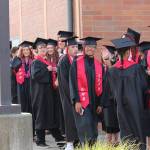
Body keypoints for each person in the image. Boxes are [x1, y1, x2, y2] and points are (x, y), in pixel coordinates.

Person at [108, 37, 150, 149]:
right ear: (128, 52)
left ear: (117, 53)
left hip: (121, 106)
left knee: (125, 129)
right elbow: (144, 87)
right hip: (136, 105)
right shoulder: (136, 68)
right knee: (138, 128)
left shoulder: (112, 71)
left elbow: (111, 92)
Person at [69, 37, 103, 146]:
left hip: (95, 103)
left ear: (96, 49)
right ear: (84, 47)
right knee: (86, 129)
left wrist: (101, 104)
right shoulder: (76, 63)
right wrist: (76, 101)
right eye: (88, 47)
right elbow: (72, 83)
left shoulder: (99, 65)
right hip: (83, 102)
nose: (91, 49)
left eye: (93, 47)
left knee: (93, 130)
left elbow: (103, 85)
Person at [31, 38, 55, 146]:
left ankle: (44, 140)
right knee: (40, 115)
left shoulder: (46, 61)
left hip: (47, 93)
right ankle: (40, 141)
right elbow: (35, 76)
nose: (43, 49)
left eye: (44, 47)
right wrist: (47, 70)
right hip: (39, 94)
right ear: (37, 50)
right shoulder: (36, 62)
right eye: (41, 48)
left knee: (46, 114)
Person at [57, 36, 79, 150]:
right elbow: (64, 82)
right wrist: (73, 97)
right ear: (67, 48)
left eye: (76, 46)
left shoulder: (77, 60)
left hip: (77, 96)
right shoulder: (63, 61)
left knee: (78, 119)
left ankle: (77, 142)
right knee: (70, 118)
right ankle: (70, 143)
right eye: (73, 47)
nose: (75, 49)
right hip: (68, 96)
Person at [46, 38, 65, 144]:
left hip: (59, 86)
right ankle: (55, 129)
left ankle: (62, 129)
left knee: (60, 107)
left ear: (55, 48)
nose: (49, 49)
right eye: (48, 48)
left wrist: (54, 70)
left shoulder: (60, 58)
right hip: (50, 87)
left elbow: (62, 69)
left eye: (51, 47)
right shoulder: (46, 58)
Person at [101, 45, 120, 145]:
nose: (105, 59)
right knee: (108, 127)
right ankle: (109, 145)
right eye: (103, 56)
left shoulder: (114, 69)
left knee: (114, 127)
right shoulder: (102, 68)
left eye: (107, 57)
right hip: (105, 102)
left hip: (113, 101)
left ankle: (115, 143)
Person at [11, 41, 33, 113]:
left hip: (31, 83)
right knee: (23, 103)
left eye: (27, 50)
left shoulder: (33, 60)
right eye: (24, 50)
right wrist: (18, 54)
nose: (26, 51)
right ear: (21, 51)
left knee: (31, 102)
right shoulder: (19, 60)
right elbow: (14, 66)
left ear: (30, 51)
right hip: (22, 85)